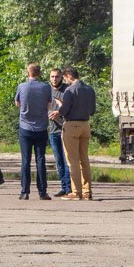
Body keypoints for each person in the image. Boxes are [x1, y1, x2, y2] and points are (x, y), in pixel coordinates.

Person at [53, 66, 97, 200]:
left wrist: (60, 106)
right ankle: (87, 192)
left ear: (68, 76)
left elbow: (65, 110)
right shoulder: (90, 90)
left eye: (65, 78)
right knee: (84, 160)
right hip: (85, 125)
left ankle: (76, 192)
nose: (66, 81)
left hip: (71, 125)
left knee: (73, 161)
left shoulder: (70, 90)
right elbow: (92, 111)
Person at [14, 63, 53, 200]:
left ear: (27, 73)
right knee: (40, 159)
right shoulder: (46, 87)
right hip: (41, 127)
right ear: (39, 73)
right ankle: (42, 192)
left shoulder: (22, 86)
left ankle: (25, 191)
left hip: (25, 127)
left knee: (26, 160)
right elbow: (49, 105)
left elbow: (17, 103)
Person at [47, 68, 72, 197]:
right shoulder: (47, 90)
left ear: (61, 77)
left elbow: (70, 108)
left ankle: (69, 188)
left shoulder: (67, 90)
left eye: (57, 77)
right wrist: (48, 114)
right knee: (58, 161)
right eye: (52, 77)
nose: (54, 79)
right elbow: (43, 106)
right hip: (53, 130)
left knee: (66, 159)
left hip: (65, 129)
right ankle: (63, 186)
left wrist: (60, 110)